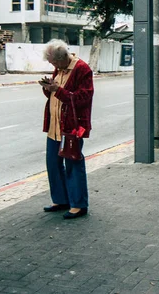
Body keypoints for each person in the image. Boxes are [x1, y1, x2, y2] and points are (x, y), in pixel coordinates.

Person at [40, 39, 94, 219]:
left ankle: (78, 204)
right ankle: (60, 199)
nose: (52, 65)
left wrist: (58, 90)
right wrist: (49, 88)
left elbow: (82, 98)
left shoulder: (82, 69)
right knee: (53, 164)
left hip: (71, 127)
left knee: (73, 163)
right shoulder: (60, 68)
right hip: (54, 125)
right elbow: (55, 93)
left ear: (62, 58)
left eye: (53, 63)